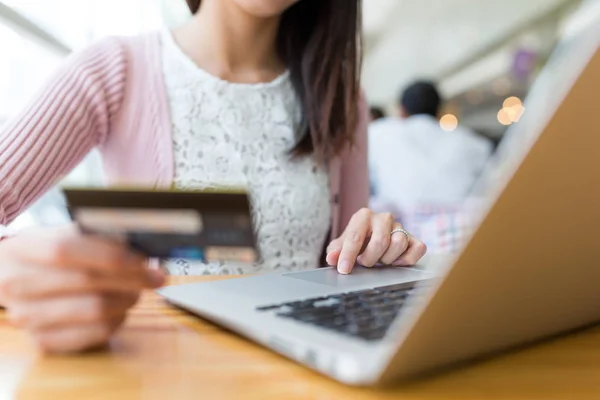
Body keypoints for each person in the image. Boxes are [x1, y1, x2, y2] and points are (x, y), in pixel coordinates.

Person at [0, 0, 426, 354]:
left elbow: (346, 267)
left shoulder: (341, 97)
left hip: (304, 374)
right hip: (157, 372)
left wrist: (377, 248)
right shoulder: (113, 69)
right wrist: (13, 269)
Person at [369, 80, 492, 218]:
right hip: (465, 232)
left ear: (401, 110)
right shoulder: (476, 144)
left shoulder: (378, 134)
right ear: (440, 110)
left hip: (401, 233)